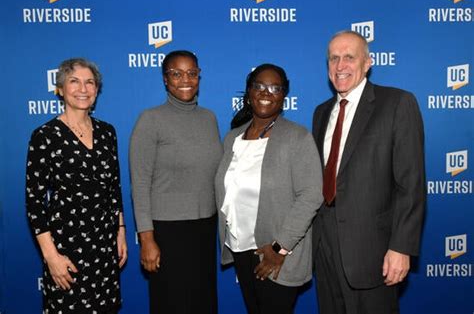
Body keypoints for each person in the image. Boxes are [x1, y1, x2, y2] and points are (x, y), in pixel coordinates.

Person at [312, 30, 426, 314]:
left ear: (367, 63)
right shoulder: (321, 112)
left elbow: (410, 184)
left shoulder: (398, 104)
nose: (340, 66)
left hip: (373, 251)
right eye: (334, 59)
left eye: (349, 57)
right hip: (324, 248)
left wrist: (401, 248)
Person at [215, 64, 323, 314]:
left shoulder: (297, 137)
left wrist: (279, 247)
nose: (266, 92)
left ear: (284, 96)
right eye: (259, 86)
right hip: (242, 249)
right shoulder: (233, 137)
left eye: (275, 88)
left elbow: (311, 196)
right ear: (248, 92)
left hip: (276, 253)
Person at [26, 58, 127, 314]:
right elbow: (35, 202)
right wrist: (51, 257)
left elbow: (113, 188)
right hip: (66, 249)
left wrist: (121, 231)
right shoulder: (45, 136)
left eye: (89, 82)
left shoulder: (107, 132)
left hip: (104, 248)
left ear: (96, 90)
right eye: (74, 81)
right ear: (60, 88)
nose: (83, 88)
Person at [129, 50, 222, 314]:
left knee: (203, 302)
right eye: (177, 73)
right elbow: (140, 184)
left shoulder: (209, 118)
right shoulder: (150, 120)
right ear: (165, 79)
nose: (186, 80)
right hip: (167, 233)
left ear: (199, 77)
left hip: (204, 228)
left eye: (192, 73)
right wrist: (147, 239)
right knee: (172, 303)